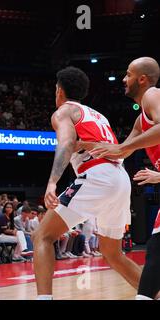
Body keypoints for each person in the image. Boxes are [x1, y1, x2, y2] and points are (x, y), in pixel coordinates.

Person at [32, 66, 142, 300]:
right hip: (119, 178)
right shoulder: (97, 115)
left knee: (42, 236)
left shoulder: (63, 111)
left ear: (59, 91)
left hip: (97, 175)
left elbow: (66, 143)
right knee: (113, 254)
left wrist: (52, 183)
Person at [82, 57, 160, 300]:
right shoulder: (140, 120)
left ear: (142, 79)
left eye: (128, 74)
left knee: (156, 252)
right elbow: (124, 149)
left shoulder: (152, 95)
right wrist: (84, 144)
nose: (124, 79)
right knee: (156, 251)